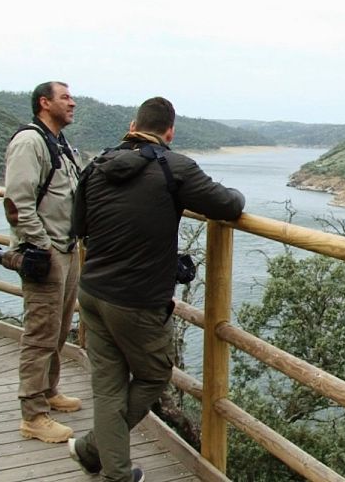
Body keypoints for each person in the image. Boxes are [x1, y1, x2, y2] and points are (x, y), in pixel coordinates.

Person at [67, 97, 245, 482]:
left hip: (93, 292)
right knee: (153, 376)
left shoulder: (97, 167)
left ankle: (107, 465)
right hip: (136, 301)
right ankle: (94, 449)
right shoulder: (174, 167)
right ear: (170, 132)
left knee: (108, 386)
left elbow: (78, 226)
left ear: (132, 125)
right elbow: (228, 204)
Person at [4, 81, 83, 443]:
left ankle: (49, 391)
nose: (73, 103)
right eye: (65, 97)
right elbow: (17, 206)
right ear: (44, 102)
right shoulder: (30, 142)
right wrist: (43, 247)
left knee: (58, 326)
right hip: (46, 253)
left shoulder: (60, 144)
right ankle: (32, 414)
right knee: (40, 333)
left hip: (67, 250)